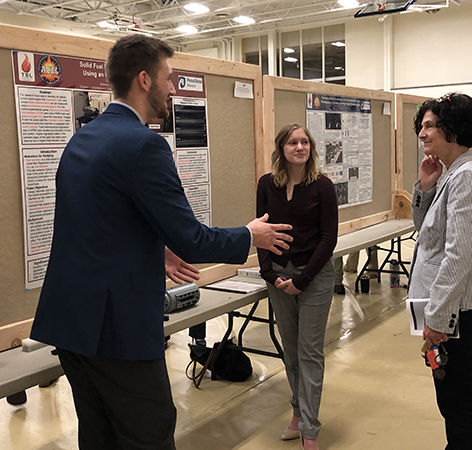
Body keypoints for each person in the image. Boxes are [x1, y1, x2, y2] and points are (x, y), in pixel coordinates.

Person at [30, 35, 294, 449]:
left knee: (99, 436)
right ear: (144, 80)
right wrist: (250, 235)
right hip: (116, 329)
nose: (173, 89)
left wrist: (155, 249)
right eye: (168, 79)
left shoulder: (84, 138)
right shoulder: (145, 145)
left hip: (70, 324)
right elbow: (192, 239)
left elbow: (97, 225)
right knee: (149, 434)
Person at [409, 93, 472, 449]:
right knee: (453, 397)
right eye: (422, 125)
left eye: (430, 125)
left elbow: (458, 255)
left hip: (462, 308)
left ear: (453, 128)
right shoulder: (453, 174)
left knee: (458, 398)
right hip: (452, 307)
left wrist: (438, 317)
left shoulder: (469, 178)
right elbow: (427, 233)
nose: (422, 133)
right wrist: (427, 187)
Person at [256, 124, 338, 450]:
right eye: (293, 142)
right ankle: (297, 413)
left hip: (314, 277)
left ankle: (311, 430)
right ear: (282, 148)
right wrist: (268, 273)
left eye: (305, 142)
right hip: (278, 276)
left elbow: (328, 238)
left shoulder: (322, 186)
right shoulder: (267, 184)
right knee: (291, 352)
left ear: (311, 148)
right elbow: (260, 230)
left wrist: (302, 280)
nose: (300, 147)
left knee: (310, 354)